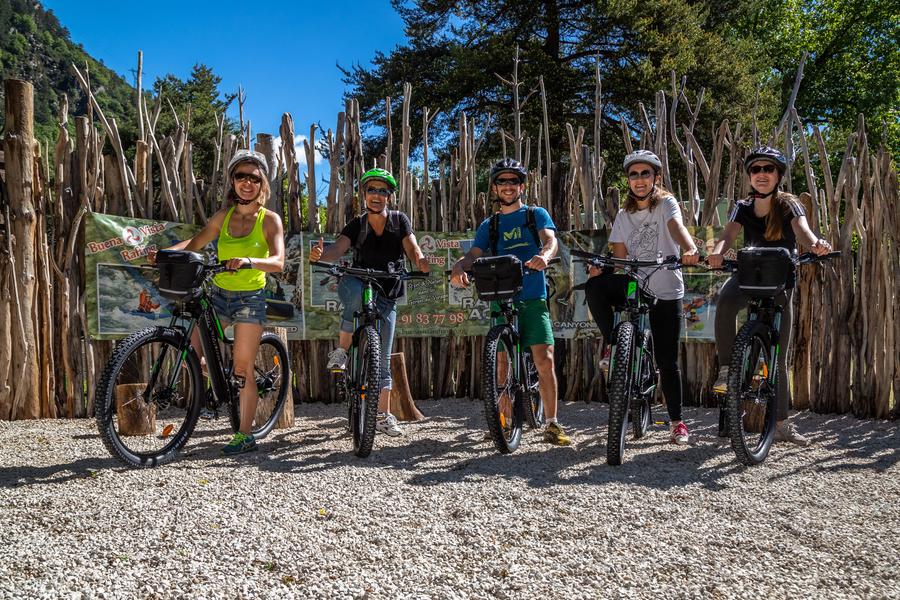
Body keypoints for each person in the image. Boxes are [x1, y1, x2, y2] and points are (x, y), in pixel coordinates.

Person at [150, 149, 286, 455]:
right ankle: (219, 382)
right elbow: (195, 243)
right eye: (241, 176)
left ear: (263, 183)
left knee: (242, 368)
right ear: (233, 181)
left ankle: (245, 435)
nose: (247, 183)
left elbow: (278, 261)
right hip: (218, 296)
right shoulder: (223, 216)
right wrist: (164, 254)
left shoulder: (269, 220)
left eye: (254, 178)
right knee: (192, 355)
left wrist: (250, 261)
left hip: (250, 299)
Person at [708, 146, 831, 445]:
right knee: (725, 302)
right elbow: (728, 235)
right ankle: (727, 370)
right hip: (748, 274)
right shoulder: (742, 206)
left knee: (778, 355)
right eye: (756, 169)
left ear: (778, 175)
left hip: (779, 280)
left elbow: (802, 231)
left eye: (768, 169)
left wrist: (816, 244)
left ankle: (782, 425)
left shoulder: (789, 204)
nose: (761, 174)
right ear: (749, 176)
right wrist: (717, 252)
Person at [450, 158, 571, 446]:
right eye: (502, 181)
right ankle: (503, 422)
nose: (507, 186)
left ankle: (552, 423)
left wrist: (544, 256)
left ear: (522, 186)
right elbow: (474, 254)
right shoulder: (490, 224)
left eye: (513, 181)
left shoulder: (535, 214)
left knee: (544, 359)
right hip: (501, 296)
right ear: (494, 187)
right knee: (501, 363)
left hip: (532, 294)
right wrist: (459, 266)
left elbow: (550, 240)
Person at [582, 150, 700, 444]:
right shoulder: (624, 215)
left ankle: (677, 423)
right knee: (595, 286)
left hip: (666, 288)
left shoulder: (666, 204)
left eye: (645, 173)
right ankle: (613, 344)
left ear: (656, 177)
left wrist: (689, 248)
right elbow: (620, 259)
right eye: (633, 174)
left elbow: (676, 227)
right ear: (628, 180)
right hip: (636, 285)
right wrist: (601, 269)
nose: (639, 179)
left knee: (667, 360)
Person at [309, 168, 430, 437]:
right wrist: (320, 255)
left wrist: (420, 260)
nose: (377, 195)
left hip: (388, 290)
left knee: (383, 359)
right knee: (353, 295)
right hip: (359, 282)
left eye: (382, 191)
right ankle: (342, 351)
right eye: (371, 190)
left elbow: (412, 247)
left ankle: (382, 416)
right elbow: (337, 249)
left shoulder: (399, 221)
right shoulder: (357, 224)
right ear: (364, 194)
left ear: (389, 196)